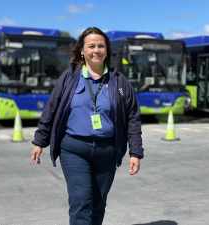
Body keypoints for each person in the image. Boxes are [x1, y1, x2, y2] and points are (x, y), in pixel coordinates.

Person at [30, 27, 144, 225]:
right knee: (81, 201)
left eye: (101, 46)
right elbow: (52, 108)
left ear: (107, 50)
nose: (96, 50)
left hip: (107, 150)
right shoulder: (69, 77)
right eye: (91, 46)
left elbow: (132, 117)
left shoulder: (119, 82)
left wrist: (136, 151)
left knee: (98, 204)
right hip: (74, 149)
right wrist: (40, 140)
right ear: (82, 51)